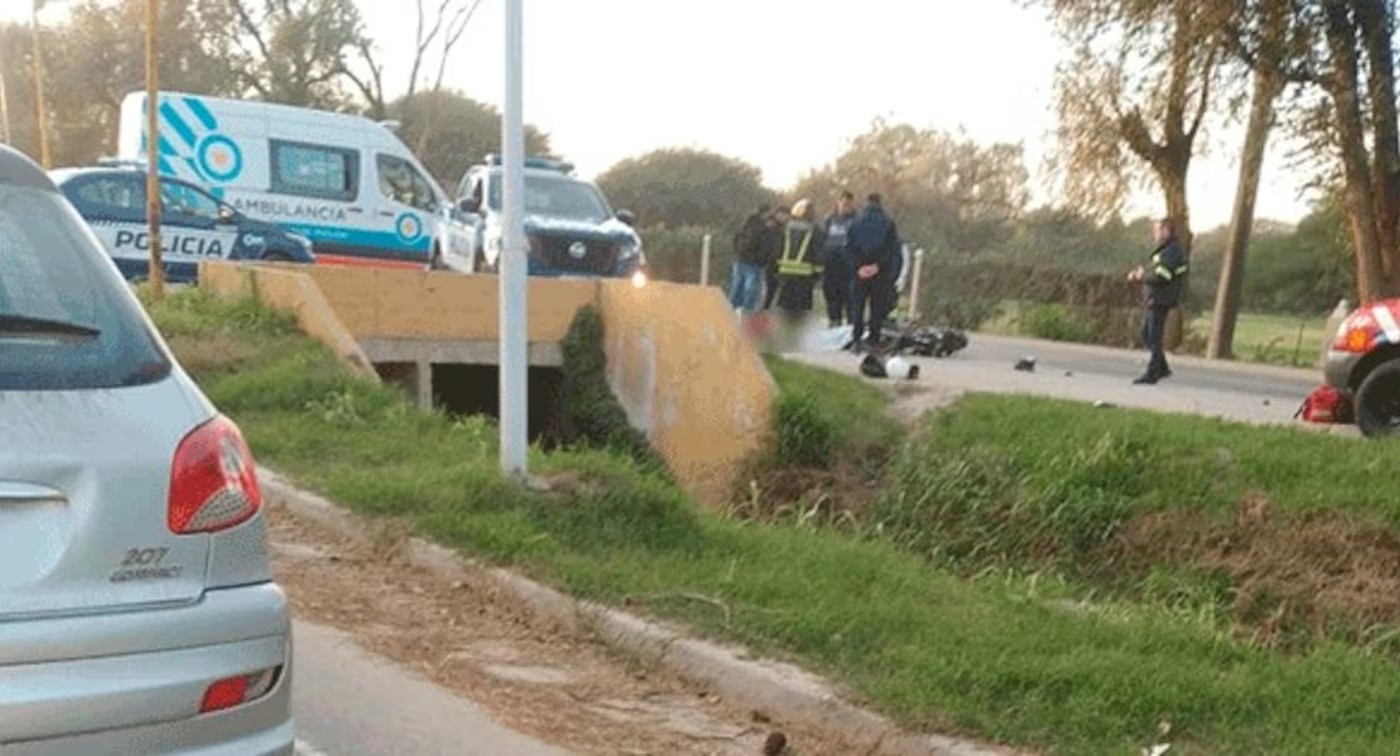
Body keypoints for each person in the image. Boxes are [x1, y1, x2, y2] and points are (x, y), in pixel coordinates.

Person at [1127, 217, 1189, 385]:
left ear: (1166, 231)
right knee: (1148, 335)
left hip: (1161, 298)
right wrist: (1143, 272)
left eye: (1157, 230)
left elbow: (1163, 275)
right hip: (1155, 297)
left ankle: (1152, 373)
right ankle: (1162, 368)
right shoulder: (1165, 250)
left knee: (1153, 336)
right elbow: (1157, 270)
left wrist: (1141, 276)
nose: (1155, 233)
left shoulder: (1172, 251)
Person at [844, 193, 901, 350]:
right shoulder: (888, 223)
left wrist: (858, 267)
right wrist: (878, 266)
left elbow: (848, 248)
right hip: (879, 273)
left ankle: (856, 339)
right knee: (877, 307)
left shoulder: (854, 223)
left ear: (866, 203)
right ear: (880, 203)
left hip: (859, 272)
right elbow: (892, 250)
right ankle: (873, 340)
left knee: (858, 306)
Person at [772, 199, 827, 317]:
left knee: (784, 307)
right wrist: (818, 274)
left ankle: (782, 332)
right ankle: (800, 334)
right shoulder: (815, 231)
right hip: (805, 276)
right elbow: (819, 254)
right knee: (802, 309)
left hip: (785, 274)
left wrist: (774, 269)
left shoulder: (786, 228)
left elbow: (777, 251)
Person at [821, 191, 858, 327]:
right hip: (831, 264)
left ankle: (850, 326)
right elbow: (823, 240)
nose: (845, 207)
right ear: (838, 203)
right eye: (843, 204)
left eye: (848, 205)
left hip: (848, 265)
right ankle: (834, 322)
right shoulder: (830, 220)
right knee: (831, 295)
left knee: (849, 297)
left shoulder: (856, 220)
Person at [729, 204, 770, 312]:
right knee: (751, 288)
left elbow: (735, 239)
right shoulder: (763, 228)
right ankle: (746, 311)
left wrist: (737, 252)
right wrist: (762, 261)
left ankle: (732, 309)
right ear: (765, 213)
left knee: (737, 285)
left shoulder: (745, 224)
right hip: (753, 261)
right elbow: (764, 246)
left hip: (739, 259)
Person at [761, 205, 791, 310]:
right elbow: (771, 245)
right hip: (771, 262)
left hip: (777, 262)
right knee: (770, 288)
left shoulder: (781, 227)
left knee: (773, 289)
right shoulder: (772, 227)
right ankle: (765, 309)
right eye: (785, 215)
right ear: (779, 214)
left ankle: (767, 309)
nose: (786, 218)